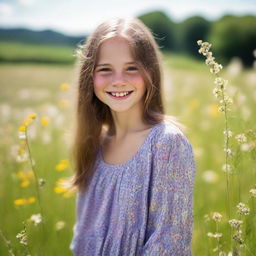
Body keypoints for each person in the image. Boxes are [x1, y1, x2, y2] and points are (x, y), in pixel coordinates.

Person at [68, 17, 196, 256]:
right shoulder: (94, 144)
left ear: (151, 73)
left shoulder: (166, 143)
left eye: (132, 68)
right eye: (105, 69)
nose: (118, 80)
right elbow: (81, 237)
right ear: (89, 76)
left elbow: (169, 245)